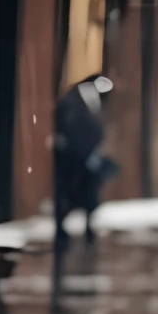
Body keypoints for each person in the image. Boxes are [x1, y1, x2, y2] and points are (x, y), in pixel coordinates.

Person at [50, 75, 117, 250]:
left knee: (89, 193)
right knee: (69, 194)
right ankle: (62, 229)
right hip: (73, 158)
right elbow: (68, 130)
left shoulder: (95, 100)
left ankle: (87, 228)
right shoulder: (71, 101)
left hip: (89, 157)